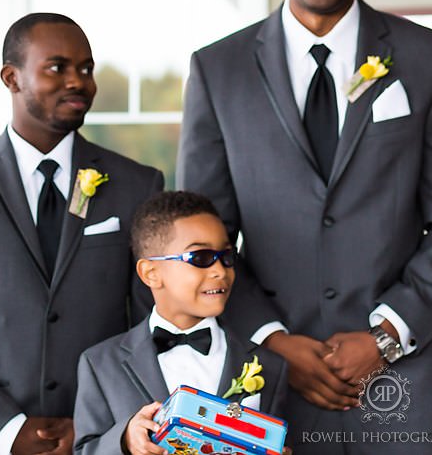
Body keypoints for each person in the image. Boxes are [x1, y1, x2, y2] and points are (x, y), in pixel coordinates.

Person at [177, 0, 432, 453]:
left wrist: (386, 336)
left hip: (406, 384)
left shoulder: (430, 60)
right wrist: (271, 338)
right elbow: (205, 240)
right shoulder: (219, 70)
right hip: (264, 383)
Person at [0, 13, 164, 455]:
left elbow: (148, 327)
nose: (78, 82)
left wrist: (100, 425)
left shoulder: (137, 185)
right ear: (12, 77)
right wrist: (6, 431)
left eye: (86, 70)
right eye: (58, 67)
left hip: (103, 439)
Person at [73, 190, 287, 455]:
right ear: (151, 273)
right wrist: (125, 440)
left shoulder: (269, 365)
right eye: (201, 258)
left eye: (227, 256)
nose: (220, 271)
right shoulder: (100, 364)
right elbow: (85, 450)